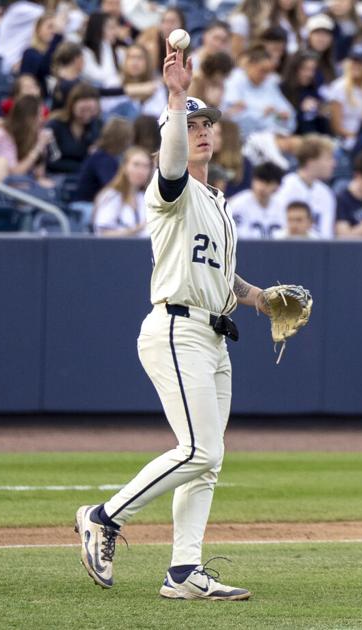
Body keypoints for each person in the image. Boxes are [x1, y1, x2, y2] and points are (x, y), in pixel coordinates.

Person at [75, 39, 300, 602]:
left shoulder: (218, 202)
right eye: (193, 123)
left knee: (208, 460)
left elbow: (224, 281)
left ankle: (184, 572)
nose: (202, 130)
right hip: (176, 328)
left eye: (207, 123)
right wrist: (176, 98)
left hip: (214, 333)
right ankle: (104, 515)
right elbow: (171, 160)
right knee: (199, 448)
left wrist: (260, 298)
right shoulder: (167, 188)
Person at [269, 134, 337, 237]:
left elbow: (327, 236)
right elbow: (278, 231)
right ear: (311, 161)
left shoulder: (326, 193)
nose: (333, 164)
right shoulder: (285, 188)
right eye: (328, 158)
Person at [220, 46, 296, 138]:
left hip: (273, 136)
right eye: (262, 70)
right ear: (250, 65)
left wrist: (278, 116)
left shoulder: (269, 83)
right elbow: (234, 116)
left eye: (269, 71)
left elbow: (288, 114)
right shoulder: (234, 80)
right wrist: (263, 114)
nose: (266, 75)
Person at [324, 44, 362, 148]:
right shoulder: (338, 87)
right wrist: (358, 137)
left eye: (361, 63)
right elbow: (336, 127)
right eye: (354, 62)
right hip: (345, 140)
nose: (356, 66)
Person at [0, 95, 53, 178]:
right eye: (39, 115)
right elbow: (15, 172)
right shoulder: (3, 135)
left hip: (25, 183)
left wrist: (42, 150)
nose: (42, 119)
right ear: (28, 118)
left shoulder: (33, 135)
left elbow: (39, 175)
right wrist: (38, 147)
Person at [92, 146, 151, 236]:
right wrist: (137, 229)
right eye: (136, 165)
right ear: (125, 167)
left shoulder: (145, 197)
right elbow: (103, 234)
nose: (141, 171)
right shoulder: (111, 196)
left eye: (146, 166)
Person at [46, 84, 103, 175]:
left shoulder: (97, 126)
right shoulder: (55, 125)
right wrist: (84, 167)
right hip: (56, 175)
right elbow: (52, 161)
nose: (87, 115)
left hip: (84, 177)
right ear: (72, 105)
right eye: (83, 110)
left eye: (91, 110)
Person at [73, 117, 134, 202]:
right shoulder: (103, 159)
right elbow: (112, 186)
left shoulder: (107, 156)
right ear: (122, 139)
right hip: (85, 204)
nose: (130, 143)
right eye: (128, 138)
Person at [228, 161, 284, 239]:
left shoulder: (282, 206)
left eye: (267, 183)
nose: (261, 187)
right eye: (259, 181)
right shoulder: (238, 204)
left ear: (277, 186)